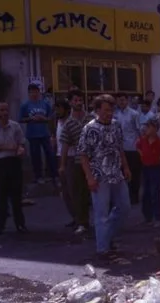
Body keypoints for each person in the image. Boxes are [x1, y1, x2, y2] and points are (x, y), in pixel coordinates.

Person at [78, 94, 132, 260]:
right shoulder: (89, 128)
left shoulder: (116, 125)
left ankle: (108, 236)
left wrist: (126, 167)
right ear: (97, 110)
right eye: (106, 110)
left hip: (116, 173)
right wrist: (89, 177)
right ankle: (103, 249)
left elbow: (119, 148)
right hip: (99, 175)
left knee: (124, 207)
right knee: (101, 214)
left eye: (111, 109)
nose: (110, 113)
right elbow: (83, 154)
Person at [0, 102, 28, 235]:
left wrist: (21, 149)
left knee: (16, 195)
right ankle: (0, 224)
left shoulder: (15, 126)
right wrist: (6, 147)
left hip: (13, 162)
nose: (5, 113)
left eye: (6, 110)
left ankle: (20, 224)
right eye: (1, 110)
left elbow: (21, 142)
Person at [62, 90, 92, 235]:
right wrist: (62, 165)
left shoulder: (91, 118)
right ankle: (82, 222)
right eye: (75, 100)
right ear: (70, 102)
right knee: (78, 193)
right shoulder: (68, 123)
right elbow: (65, 145)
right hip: (77, 160)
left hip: (94, 160)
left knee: (96, 192)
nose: (79, 103)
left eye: (80, 100)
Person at [20, 83, 55, 184]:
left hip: (45, 133)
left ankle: (53, 175)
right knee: (36, 156)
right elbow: (20, 119)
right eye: (32, 92)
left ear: (39, 92)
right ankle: (38, 176)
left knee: (50, 154)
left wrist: (44, 118)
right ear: (29, 93)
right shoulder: (25, 105)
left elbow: (51, 117)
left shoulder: (45, 104)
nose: (34, 94)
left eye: (36, 91)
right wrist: (31, 118)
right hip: (32, 134)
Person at [114, 92, 142, 205]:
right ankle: (123, 196)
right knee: (121, 173)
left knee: (134, 173)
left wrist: (140, 147)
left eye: (123, 100)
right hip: (119, 148)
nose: (121, 102)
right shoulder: (114, 114)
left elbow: (139, 131)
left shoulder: (134, 114)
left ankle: (134, 196)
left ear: (127, 101)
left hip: (132, 147)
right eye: (119, 100)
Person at [136, 119, 160, 225]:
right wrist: (142, 155)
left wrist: (159, 157)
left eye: (149, 127)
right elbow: (138, 146)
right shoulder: (142, 140)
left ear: (155, 129)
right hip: (145, 168)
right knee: (145, 193)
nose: (146, 129)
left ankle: (157, 217)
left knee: (155, 192)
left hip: (155, 169)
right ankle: (147, 217)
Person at [53, 99, 76, 227]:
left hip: (70, 158)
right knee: (65, 191)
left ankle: (80, 218)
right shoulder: (58, 123)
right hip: (59, 156)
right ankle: (74, 216)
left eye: (59, 108)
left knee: (72, 189)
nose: (57, 111)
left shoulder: (70, 123)